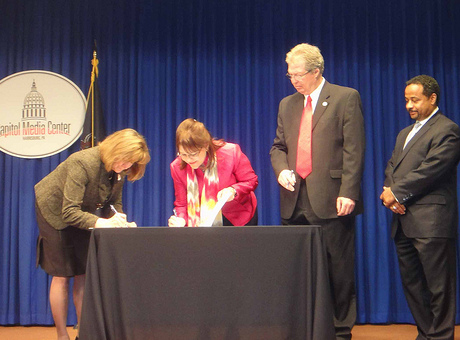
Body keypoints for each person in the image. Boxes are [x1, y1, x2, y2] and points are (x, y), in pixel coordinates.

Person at [270, 43, 365, 339]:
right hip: (294, 199)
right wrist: (282, 168)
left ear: (316, 72)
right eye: (290, 75)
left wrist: (349, 191)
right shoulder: (287, 104)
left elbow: (354, 150)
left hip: (333, 199)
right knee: (297, 270)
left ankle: (339, 331)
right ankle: (304, 327)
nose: (294, 80)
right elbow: (278, 147)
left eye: (299, 74)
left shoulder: (345, 98)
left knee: (338, 270)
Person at [34, 128, 150, 340]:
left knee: (84, 271)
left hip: (82, 213)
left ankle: (85, 333)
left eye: (130, 164)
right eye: (125, 161)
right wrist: (102, 223)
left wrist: (120, 220)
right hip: (54, 212)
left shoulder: (119, 169)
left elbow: (114, 203)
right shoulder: (83, 162)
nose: (126, 167)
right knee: (62, 273)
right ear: (116, 150)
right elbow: (68, 212)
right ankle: (62, 335)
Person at [380, 75, 460, 340]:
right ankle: (426, 334)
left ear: (432, 98)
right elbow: (392, 166)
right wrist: (390, 194)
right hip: (403, 222)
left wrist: (397, 194)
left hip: (432, 222)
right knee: (413, 286)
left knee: (439, 287)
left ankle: (440, 337)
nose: (409, 105)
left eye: (415, 99)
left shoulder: (447, 129)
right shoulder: (405, 133)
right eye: (406, 100)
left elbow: (431, 170)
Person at [168, 118, 258, 227]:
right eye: (183, 154)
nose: (189, 159)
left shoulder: (230, 152)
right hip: (204, 222)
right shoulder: (177, 167)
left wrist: (233, 190)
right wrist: (181, 220)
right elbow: (181, 204)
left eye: (193, 154)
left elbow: (251, 181)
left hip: (239, 217)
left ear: (206, 145)